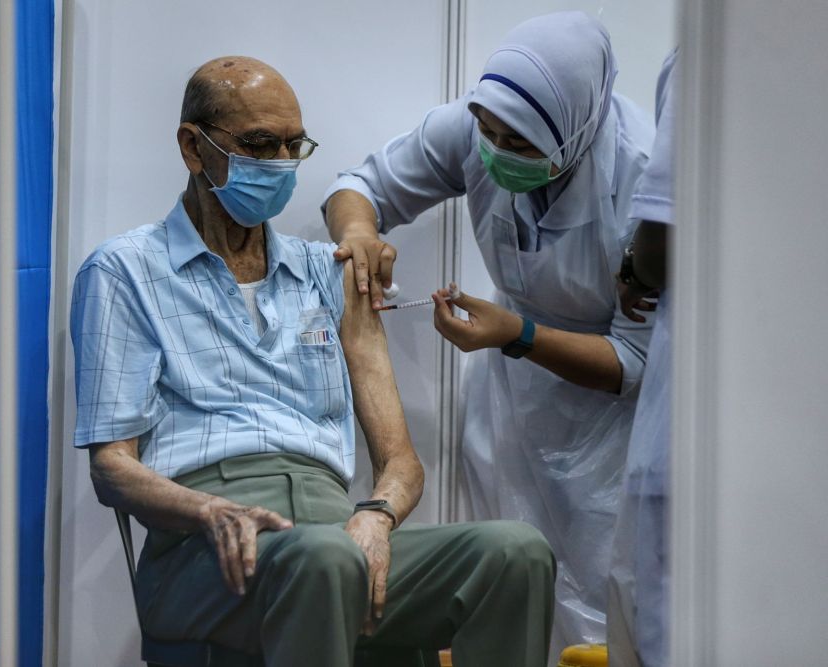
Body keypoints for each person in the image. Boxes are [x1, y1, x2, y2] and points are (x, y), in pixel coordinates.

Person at [69, 56, 555, 667]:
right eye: (258, 145)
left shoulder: (326, 275)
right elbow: (112, 468)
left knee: (514, 552)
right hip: (209, 545)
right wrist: (208, 509)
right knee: (322, 560)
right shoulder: (125, 271)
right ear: (194, 149)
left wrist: (377, 518)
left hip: (333, 533)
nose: (279, 164)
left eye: (292, 146)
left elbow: (400, 460)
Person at [322, 12, 655, 653]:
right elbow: (357, 186)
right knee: (509, 580)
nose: (497, 152)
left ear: (578, 127)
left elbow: (634, 361)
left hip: (612, 428)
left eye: (523, 146)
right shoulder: (482, 124)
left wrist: (518, 334)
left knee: (602, 611)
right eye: (487, 132)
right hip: (509, 402)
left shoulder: (640, 178)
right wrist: (361, 234)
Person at [607, 50, 678, 667]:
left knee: (662, 626)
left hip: (679, 422)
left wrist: (517, 333)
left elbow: (661, 239)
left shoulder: (709, 54)